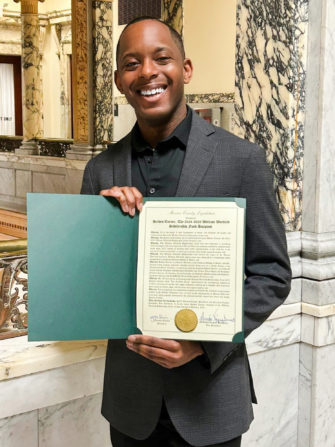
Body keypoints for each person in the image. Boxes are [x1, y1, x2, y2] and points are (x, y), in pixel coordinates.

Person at [81, 16, 291, 447]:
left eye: (162, 58)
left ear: (186, 69)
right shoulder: (100, 170)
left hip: (210, 398)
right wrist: (98, 228)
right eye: (132, 63)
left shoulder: (242, 160)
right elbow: (86, 285)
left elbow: (271, 274)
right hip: (130, 404)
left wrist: (201, 342)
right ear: (120, 80)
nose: (148, 72)